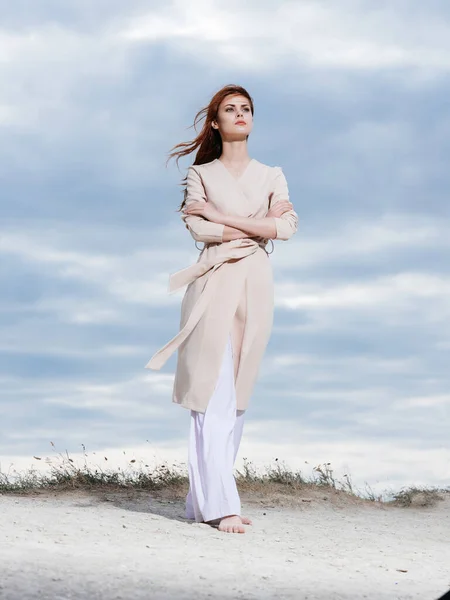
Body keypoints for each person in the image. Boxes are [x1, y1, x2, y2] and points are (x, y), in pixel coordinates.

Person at [145, 84, 298, 533]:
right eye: (230, 109)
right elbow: (196, 224)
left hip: (256, 282)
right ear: (215, 122)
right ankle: (221, 505)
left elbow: (285, 226)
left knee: (237, 395)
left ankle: (201, 500)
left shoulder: (273, 174)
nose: (239, 114)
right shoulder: (201, 175)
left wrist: (224, 217)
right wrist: (252, 228)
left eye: (246, 108)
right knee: (211, 391)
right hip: (213, 280)